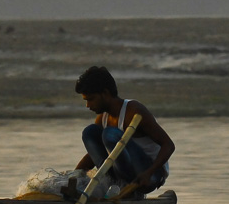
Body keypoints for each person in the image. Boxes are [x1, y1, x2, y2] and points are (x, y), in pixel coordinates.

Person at [74, 66, 174, 194]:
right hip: (120, 178)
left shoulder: (133, 111)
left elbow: (169, 145)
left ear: (105, 93)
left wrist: (149, 173)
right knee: (90, 132)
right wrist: (73, 176)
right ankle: (114, 184)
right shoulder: (102, 118)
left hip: (148, 175)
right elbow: (93, 155)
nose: (88, 105)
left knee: (110, 134)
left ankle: (125, 187)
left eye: (91, 99)